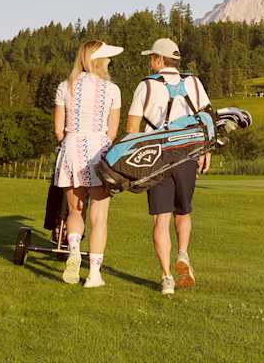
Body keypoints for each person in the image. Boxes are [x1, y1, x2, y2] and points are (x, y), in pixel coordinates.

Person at [125, 37, 211, 296]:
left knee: (159, 220)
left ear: (160, 60)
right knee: (183, 212)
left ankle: (166, 278)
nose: (150, 62)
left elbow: (131, 130)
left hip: (158, 158)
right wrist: (206, 151)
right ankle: (183, 254)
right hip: (187, 154)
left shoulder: (146, 86)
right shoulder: (194, 82)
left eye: (152, 57)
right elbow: (206, 118)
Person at [53, 40, 123, 288]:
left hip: (71, 147)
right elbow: (112, 131)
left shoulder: (65, 86)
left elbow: (58, 130)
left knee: (75, 210)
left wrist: (68, 141)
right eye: (107, 57)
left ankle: (73, 250)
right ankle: (93, 274)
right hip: (99, 150)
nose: (110, 61)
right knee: (99, 217)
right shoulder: (112, 90)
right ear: (99, 60)